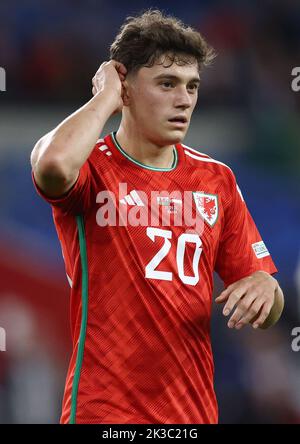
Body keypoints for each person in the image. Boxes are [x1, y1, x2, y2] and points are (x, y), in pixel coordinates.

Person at [30, 9, 284, 424]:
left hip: (192, 414)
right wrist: (104, 98)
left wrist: (264, 287)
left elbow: (268, 305)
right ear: (125, 87)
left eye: (192, 86)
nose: (184, 99)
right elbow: (53, 165)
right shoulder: (92, 168)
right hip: (104, 412)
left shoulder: (215, 179)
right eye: (167, 84)